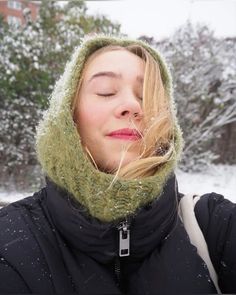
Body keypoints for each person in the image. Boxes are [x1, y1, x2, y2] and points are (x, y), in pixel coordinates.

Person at [0, 34, 235, 294]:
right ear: (67, 116)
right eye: (106, 91)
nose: (132, 106)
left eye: (146, 96)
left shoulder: (214, 227)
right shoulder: (11, 242)